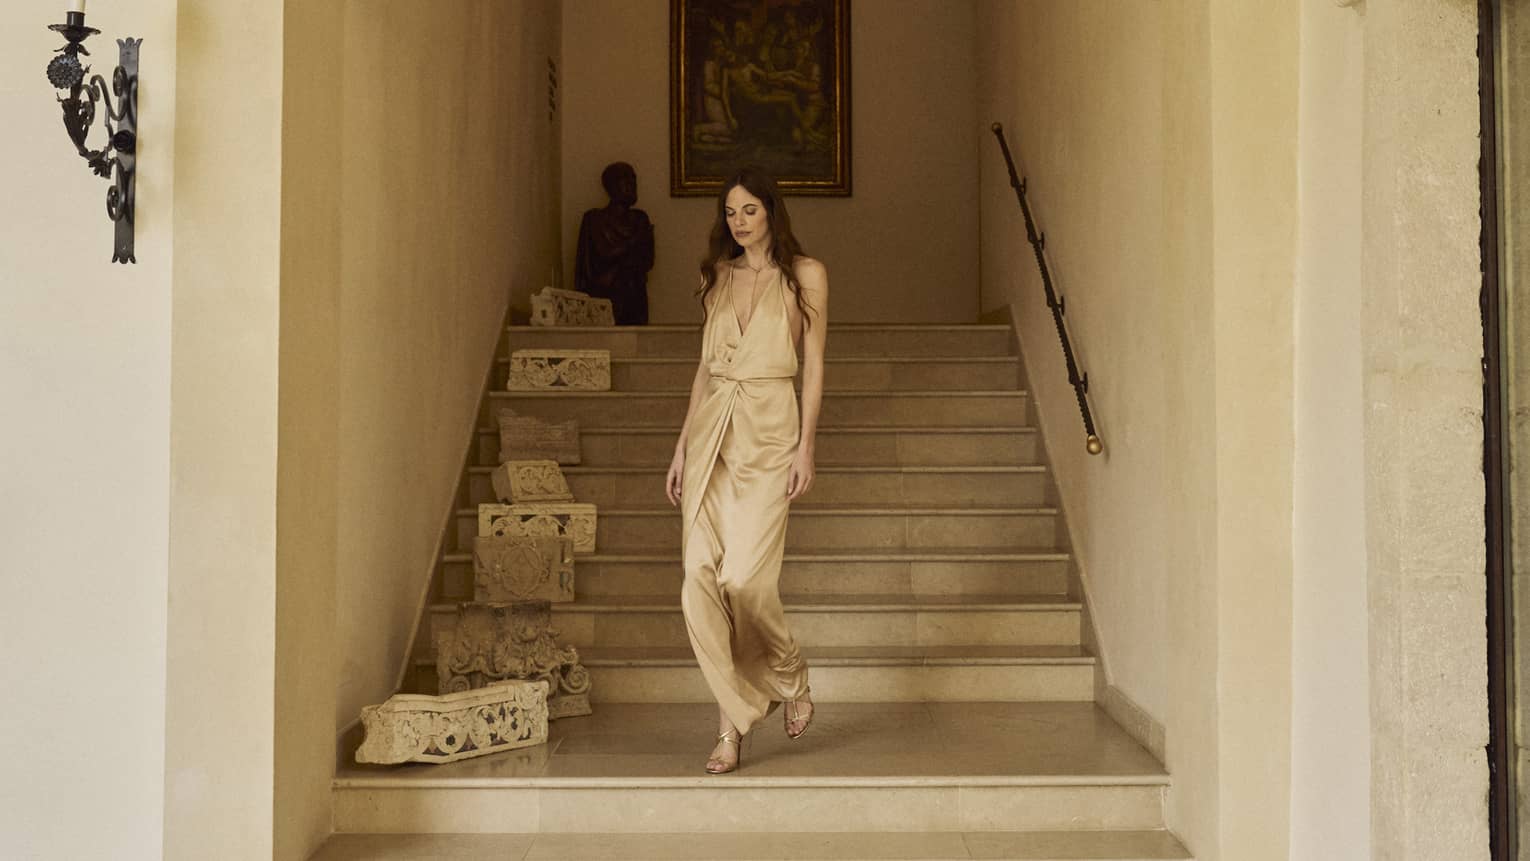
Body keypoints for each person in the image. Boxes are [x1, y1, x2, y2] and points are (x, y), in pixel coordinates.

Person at [664, 167, 828, 774]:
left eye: (749, 210)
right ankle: (729, 729)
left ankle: (790, 673)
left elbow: (814, 364)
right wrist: (682, 446)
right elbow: (704, 369)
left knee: (744, 581)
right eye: (730, 211)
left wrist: (806, 446)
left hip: (770, 433)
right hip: (713, 434)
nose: (738, 221)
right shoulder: (716, 275)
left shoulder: (807, 275)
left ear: (771, 211)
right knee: (698, 579)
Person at [573, 162, 655, 325]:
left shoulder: (640, 219)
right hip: (603, 297)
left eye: (634, 179)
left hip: (634, 298)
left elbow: (646, 260)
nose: (632, 184)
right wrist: (633, 243)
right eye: (625, 179)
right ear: (611, 186)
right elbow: (601, 255)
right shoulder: (594, 219)